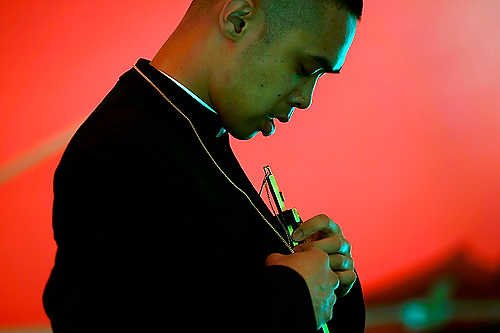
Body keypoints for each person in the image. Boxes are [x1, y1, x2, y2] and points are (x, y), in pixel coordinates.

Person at [42, 0, 365, 332]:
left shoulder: (192, 131)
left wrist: (334, 283)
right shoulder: (115, 150)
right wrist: (293, 298)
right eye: (304, 67)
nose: (306, 99)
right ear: (238, 20)